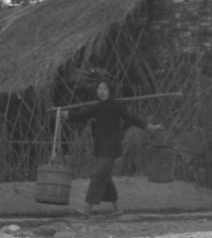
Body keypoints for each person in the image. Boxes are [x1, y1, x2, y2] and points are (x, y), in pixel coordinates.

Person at [61, 81, 160, 216]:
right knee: (105, 178)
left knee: (97, 176)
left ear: (110, 91)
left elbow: (131, 118)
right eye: (99, 89)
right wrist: (67, 115)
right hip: (100, 149)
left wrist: (149, 127)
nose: (102, 91)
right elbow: (81, 116)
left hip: (111, 148)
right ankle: (117, 209)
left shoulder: (116, 107)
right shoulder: (96, 108)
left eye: (105, 89)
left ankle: (87, 210)